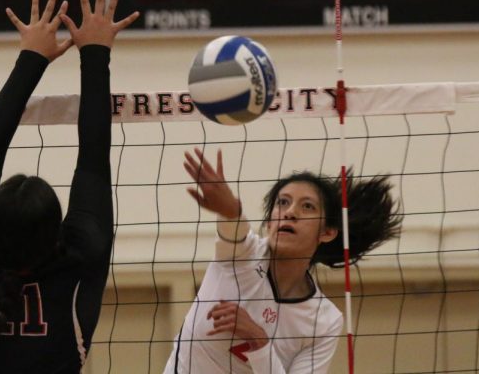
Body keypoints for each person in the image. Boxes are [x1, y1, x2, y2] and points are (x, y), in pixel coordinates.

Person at [0, 0, 139, 374]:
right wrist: (90, 56)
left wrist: (38, 58)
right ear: (54, 235)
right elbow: (92, 161)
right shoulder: (77, 258)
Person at [165, 148, 402, 373]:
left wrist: (258, 339)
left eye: (307, 206)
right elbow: (234, 226)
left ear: (327, 232)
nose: (290, 212)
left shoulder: (323, 319)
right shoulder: (243, 255)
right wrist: (230, 209)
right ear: (269, 223)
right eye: (283, 202)